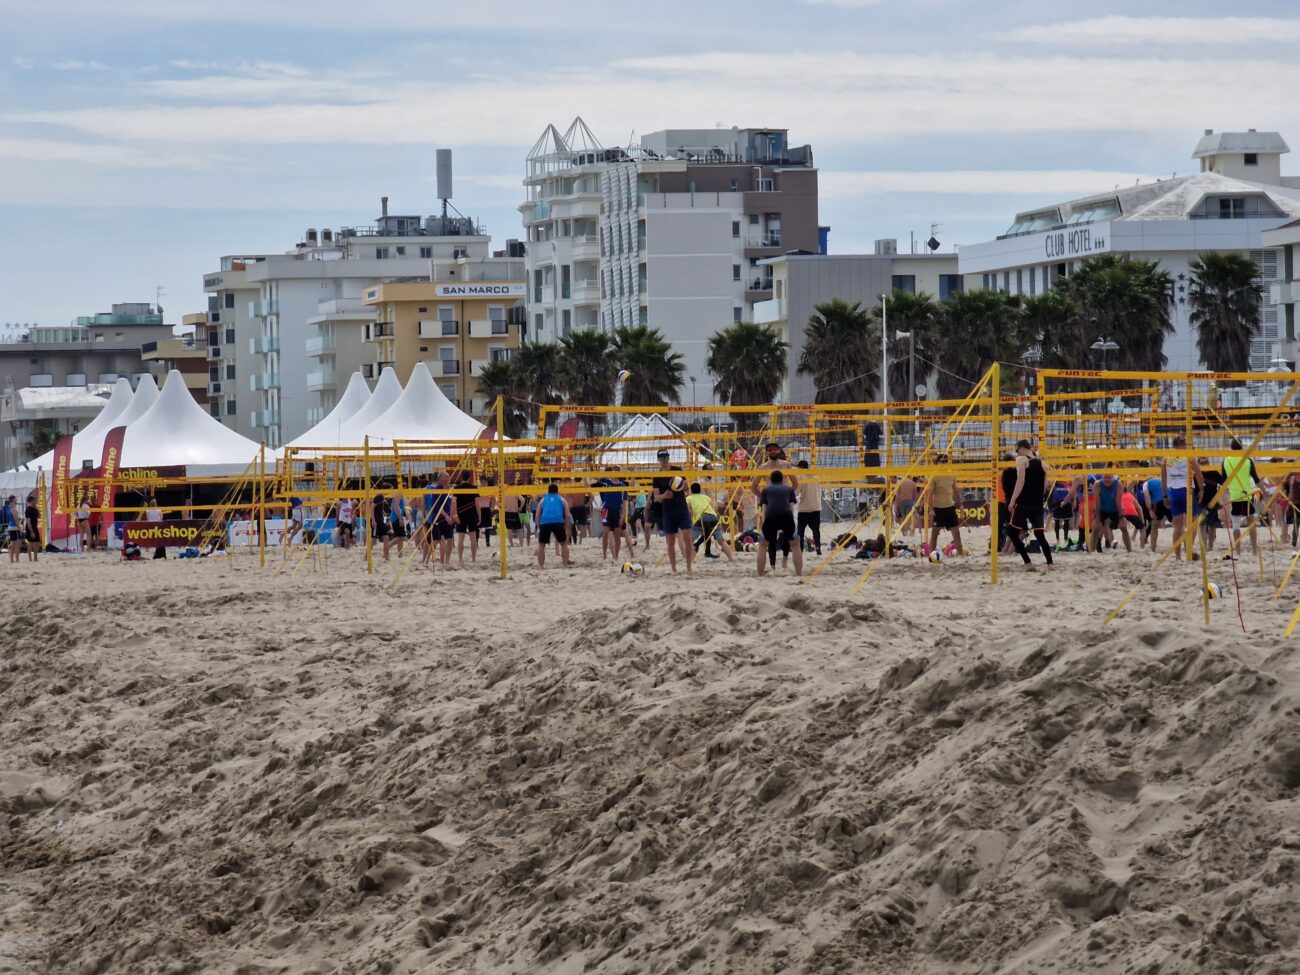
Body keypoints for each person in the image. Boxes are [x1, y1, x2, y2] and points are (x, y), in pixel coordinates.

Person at [1005, 439, 1053, 571]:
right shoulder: (1043, 464)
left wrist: (1012, 500)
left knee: (1012, 532)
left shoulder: (1021, 460)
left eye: (1016, 450)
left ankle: (1028, 563)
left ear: (1019, 448)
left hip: (1023, 504)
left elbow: (1020, 481)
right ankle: (1050, 564)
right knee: (1040, 535)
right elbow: (1045, 487)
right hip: (1037, 504)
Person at [652, 449, 694, 574]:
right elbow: (656, 497)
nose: (664, 460)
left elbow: (687, 491)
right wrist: (664, 496)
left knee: (687, 538)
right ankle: (674, 569)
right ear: (658, 460)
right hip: (668, 511)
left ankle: (689, 567)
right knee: (670, 542)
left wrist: (686, 489)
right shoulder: (657, 476)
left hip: (682, 509)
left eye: (666, 458)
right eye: (662, 458)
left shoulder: (678, 471)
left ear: (668, 458)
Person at [1162, 438, 1203, 561]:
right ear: (1181, 444)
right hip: (1187, 491)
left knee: (1177, 527)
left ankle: (1178, 557)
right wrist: (1201, 489)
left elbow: (1163, 480)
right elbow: (1199, 474)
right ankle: (1187, 546)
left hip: (1174, 492)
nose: (1187, 446)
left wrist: (1165, 495)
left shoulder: (1166, 458)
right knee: (1193, 523)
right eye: (1185, 444)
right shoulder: (1189, 457)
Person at [1222, 440, 1262, 559]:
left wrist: (1223, 497)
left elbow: (1223, 481)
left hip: (1235, 497)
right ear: (1242, 447)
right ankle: (1254, 549)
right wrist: (1263, 490)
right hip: (1247, 496)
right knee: (1251, 524)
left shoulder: (1226, 460)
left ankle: (1238, 552)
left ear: (1231, 447)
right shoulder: (1248, 460)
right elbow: (1256, 478)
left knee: (1236, 525)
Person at [757, 469, 802, 576]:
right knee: (795, 545)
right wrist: (791, 521)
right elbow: (791, 507)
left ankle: (760, 574)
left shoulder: (766, 489)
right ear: (782, 479)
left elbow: (764, 507)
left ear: (770, 479)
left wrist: (764, 522)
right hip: (786, 515)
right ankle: (799, 573)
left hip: (771, 515)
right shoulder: (789, 489)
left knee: (763, 545)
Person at [927, 454, 965, 557]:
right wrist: (930, 509)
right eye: (942, 461)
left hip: (950, 507)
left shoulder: (951, 474)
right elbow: (930, 493)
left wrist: (960, 505)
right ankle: (931, 555)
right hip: (938, 508)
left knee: (956, 533)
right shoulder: (934, 475)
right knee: (934, 534)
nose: (944, 463)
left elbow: (956, 490)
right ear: (937, 462)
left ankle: (961, 555)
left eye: (945, 461)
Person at [687, 482, 733, 562]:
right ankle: (731, 559)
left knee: (689, 540)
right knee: (721, 541)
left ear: (691, 490)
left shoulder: (689, 498)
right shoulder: (706, 497)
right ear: (700, 490)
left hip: (701, 517)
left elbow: (688, 512)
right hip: (713, 517)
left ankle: (691, 561)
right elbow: (714, 509)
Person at [595, 469, 634, 561]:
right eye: (614, 470)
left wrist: (623, 515)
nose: (614, 472)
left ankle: (616, 557)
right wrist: (590, 466)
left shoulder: (622, 486)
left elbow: (624, 502)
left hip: (617, 512)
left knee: (618, 536)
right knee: (606, 533)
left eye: (617, 470)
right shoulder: (606, 482)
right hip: (607, 511)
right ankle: (604, 555)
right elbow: (596, 477)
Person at [1090, 473, 1131, 553]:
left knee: (1123, 527)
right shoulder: (1097, 484)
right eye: (1105, 478)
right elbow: (1097, 503)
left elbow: (1118, 502)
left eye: (1109, 478)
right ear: (1102, 478)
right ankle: (1091, 551)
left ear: (1113, 477)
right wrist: (1097, 519)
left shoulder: (1118, 484)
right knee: (1095, 528)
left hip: (1115, 509)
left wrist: (1122, 517)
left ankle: (1129, 551)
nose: (1107, 480)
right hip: (1102, 509)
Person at [533, 483, 571, 568]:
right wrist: (566, 526)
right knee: (564, 544)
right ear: (558, 491)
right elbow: (568, 515)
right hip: (558, 521)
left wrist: (539, 527)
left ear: (548, 491)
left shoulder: (543, 500)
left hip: (545, 522)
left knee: (541, 545)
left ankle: (541, 566)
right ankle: (565, 564)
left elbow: (537, 515)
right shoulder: (562, 499)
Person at [425, 471, 457, 568]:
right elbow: (438, 507)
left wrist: (452, 516)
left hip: (447, 518)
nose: (449, 479)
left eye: (448, 477)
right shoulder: (437, 490)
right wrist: (446, 516)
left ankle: (446, 561)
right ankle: (427, 560)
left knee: (450, 539)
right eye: (446, 477)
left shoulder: (446, 490)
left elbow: (449, 505)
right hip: (439, 518)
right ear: (440, 479)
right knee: (437, 540)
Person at [795, 459, 822, 555]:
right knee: (816, 530)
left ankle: (801, 549)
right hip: (816, 507)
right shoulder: (816, 477)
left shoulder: (800, 477)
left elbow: (796, 492)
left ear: (801, 468)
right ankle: (818, 549)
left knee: (800, 531)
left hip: (804, 508)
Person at [455, 471, 480, 566]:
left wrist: (455, 515)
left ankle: (460, 559)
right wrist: (479, 516)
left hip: (461, 514)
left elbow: (454, 503)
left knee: (460, 539)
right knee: (473, 538)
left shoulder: (456, 488)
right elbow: (477, 503)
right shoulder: (474, 488)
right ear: (469, 477)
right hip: (472, 515)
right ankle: (473, 559)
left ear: (461, 477)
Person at [1140, 472, 1167, 553]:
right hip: (1169, 499)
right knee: (1178, 526)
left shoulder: (1146, 484)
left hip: (1158, 502)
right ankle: (1186, 546)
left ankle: (1153, 549)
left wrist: (1150, 510)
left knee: (1154, 527)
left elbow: (1147, 497)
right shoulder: (1160, 480)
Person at [3, 495, 21, 563]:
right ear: (13, 499)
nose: (16, 499)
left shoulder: (9, 507)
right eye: (16, 498)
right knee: (17, 544)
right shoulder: (13, 508)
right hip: (14, 527)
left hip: (11, 526)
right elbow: (16, 519)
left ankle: (12, 559)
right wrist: (20, 528)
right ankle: (16, 559)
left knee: (13, 544)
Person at [23, 494, 40, 562]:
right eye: (35, 500)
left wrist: (37, 509)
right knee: (31, 544)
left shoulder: (34, 508)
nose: (36, 501)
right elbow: (28, 522)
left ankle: (35, 557)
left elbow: (39, 516)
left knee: (38, 543)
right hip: (30, 528)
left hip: (35, 527)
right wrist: (31, 531)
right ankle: (30, 559)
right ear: (31, 501)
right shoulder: (28, 510)